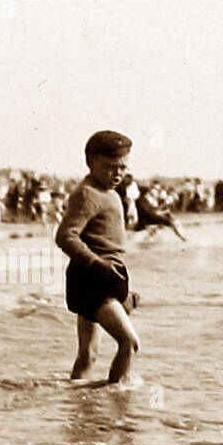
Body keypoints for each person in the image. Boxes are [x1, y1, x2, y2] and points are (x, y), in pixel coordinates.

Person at [56, 132, 140, 383]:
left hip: (107, 275)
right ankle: (118, 401)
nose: (117, 174)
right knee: (129, 342)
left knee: (88, 354)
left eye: (123, 168)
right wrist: (96, 264)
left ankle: (81, 408)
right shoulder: (87, 194)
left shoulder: (112, 193)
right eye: (110, 167)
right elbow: (66, 236)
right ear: (90, 162)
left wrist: (123, 288)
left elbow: (110, 241)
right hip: (91, 278)